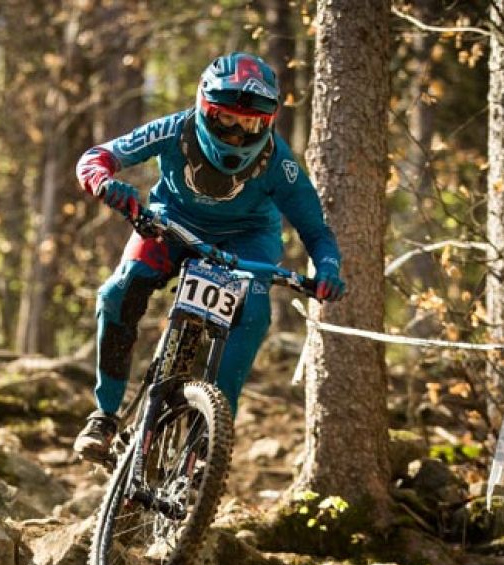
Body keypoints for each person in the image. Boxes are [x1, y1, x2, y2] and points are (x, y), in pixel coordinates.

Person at [72, 52, 346, 463]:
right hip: (171, 226)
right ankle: (105, 416)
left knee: (254, 313)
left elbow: (317, 231)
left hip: (246, 241)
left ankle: (210, 439)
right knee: (117, 293)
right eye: (227, 120)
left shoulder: (279, 163)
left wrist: (327, 267)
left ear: (268, 122)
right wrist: (103, 182)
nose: (236, 135)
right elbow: (98, 156)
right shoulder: (174, 130)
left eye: (250, 125)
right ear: (204, 108)